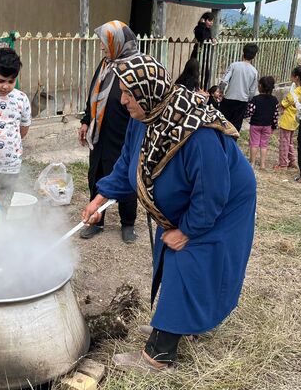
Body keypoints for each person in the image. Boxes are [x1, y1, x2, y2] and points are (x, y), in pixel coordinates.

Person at [81, 39, 255, 372]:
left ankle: (159, 355)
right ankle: (173, 324)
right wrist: (100, 199)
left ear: (146, 93)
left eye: (128, 93)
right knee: (172, 256)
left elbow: (212, 194)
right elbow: (128, 164)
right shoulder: (145, 114)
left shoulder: (197, 133)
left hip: (223, 204)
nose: (122, 99)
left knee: (189, 262)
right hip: (193, 201)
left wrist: (188, 230)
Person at [79, 21, 139, 244]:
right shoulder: (106, 63)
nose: (102, 47)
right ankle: (98, 220)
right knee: (97, 174)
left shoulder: (134, 67)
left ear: (118, 42)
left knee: (126, 176)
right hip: (100, 132)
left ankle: (128, 223)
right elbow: (93, 94)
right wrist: (86, 120)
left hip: (123, 133)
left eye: (105, 42)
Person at [0, 47, 32, 210]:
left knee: (3, 205)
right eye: (1, 80)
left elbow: (23, 129)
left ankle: (0, 235)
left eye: (11, 81)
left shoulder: (21, 98)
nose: (6, 86)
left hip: (11, 166)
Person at [275, 66, 301, 171]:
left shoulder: (293, 93)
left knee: (284, 143)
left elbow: (283, 104)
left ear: (297, 77)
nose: (290, 77)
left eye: (292, 75)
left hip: (287, 121)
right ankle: (292, 161)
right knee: (289, 142)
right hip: (294, 121)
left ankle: (283, 164)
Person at [219, 43, 259, 133]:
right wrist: (248, 99)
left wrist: (221, 92)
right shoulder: (254, 71)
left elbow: (224, 81)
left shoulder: (234, 65)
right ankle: (232, 143)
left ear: (243, 52)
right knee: (236, 126)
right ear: (254, 56)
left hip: (228, 99)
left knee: (223, 124)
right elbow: (252, 91)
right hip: (242, 102)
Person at [245, 76, 279, 170]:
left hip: (255, 124)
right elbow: (275, 115)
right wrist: (274, 126)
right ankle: (262, 164)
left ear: (260, 86)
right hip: (268, 125)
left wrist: (244, 115)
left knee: (254, 143)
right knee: (264, 145)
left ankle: (252, 163)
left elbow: (250, 111)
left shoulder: (255, 99)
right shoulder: (274, 100)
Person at [191, 12, 216, 89]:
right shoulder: (198, 28)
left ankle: (204, 89)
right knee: (194, 72)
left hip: (205, 54)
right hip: (198, 53)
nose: (211, 23)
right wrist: (202, 24)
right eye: (209, 20)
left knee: (206, 73)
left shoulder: (208, 30)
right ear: (204, 20)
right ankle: (193, 88)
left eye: (212, 21)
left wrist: (212, 39)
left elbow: (208, 38)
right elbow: (202, 37)